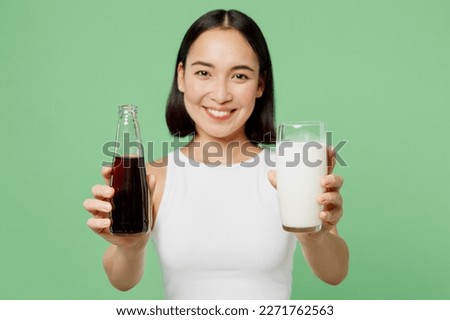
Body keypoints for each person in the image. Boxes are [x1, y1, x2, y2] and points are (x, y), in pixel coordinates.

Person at [83, 9, 349, 300]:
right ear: (182, 77)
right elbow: (122, 280)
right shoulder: (154, 176)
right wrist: (129, 247)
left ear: (260, 84)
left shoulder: (288, 171)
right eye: (203, 73)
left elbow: (334, 273)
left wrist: (315, 236)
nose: (220, 94)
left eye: (239, 75)